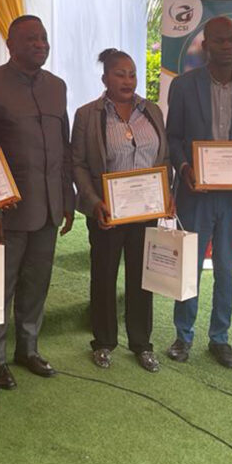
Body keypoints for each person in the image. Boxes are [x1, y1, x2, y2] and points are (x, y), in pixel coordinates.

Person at [0, 15, 75, 389]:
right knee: (1, 285)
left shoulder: (57, 87)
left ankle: (27, 349)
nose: (40, 44)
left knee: (37, 282)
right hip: (7, 212)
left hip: (48, 207)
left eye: (44, 37)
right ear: (10, 44)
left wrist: (67, 198)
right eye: (31, 39)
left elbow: (65, 146)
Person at [166, 17, 232, 368]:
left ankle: (219, 338)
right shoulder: (183, 86)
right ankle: (183, 335)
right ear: (206, 45)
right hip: (197, 192)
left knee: (226, 268)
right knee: (189, 268)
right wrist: (184, 168)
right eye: (219, 41)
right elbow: (173, 138)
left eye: (231, 41)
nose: (226, 46)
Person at [71, 49, 168, 372]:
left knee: (143, 277)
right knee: (104, 276)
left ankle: (142, 343)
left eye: (132, 73)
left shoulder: (152, 111)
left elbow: (163, 158)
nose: (127, 80)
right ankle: (103, 342)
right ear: (105, 79)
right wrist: (93, 201)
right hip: (107, 213)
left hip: (147, 211)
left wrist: (168, 195)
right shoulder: (88, 115)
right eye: (119, 74)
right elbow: (79, 164)